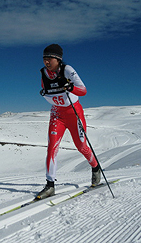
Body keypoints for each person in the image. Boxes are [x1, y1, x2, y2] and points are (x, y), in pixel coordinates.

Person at [36, 44, 100, 200]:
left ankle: (95, 168)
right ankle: (50, 185)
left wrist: (70, 86)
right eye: (44, 58)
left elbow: (83, 90)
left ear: (58, 59)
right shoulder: (44, 73)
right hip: (57, 113)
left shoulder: (67, 69)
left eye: (49, 58)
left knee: (81, 145)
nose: (46, 62)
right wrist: (44, 93)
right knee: (52, 147)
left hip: (74, 113)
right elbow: (46, 90)